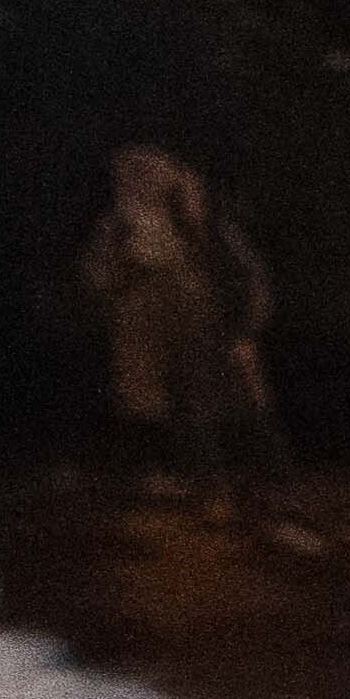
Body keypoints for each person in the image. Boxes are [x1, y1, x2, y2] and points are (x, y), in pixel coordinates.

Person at [83, 142, 288, 527]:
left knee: (228, 407)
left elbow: (242, 274)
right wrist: (126, 261)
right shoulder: (120, 230)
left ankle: (256, 484)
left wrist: (244, 324)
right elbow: (101, 278)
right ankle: (192, 483)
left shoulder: (205, 228)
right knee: (160, 409)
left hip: (206, 332)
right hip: (150, 338)